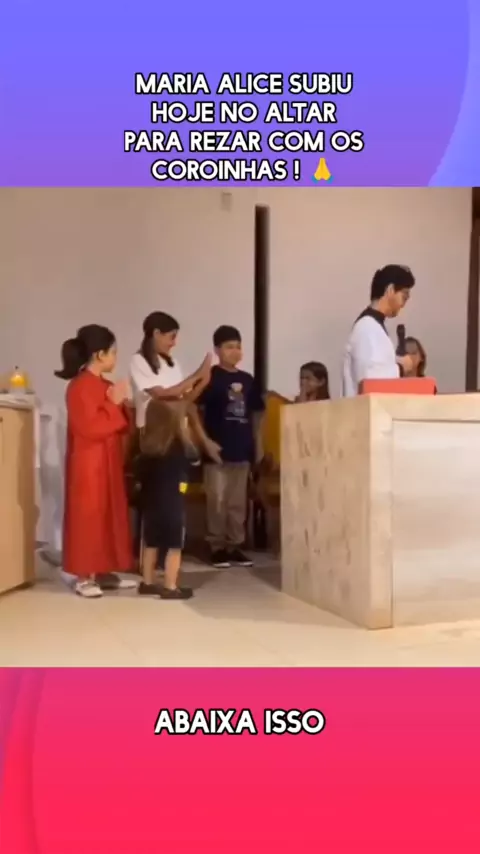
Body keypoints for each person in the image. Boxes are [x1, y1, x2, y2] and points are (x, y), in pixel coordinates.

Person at [55, 325, 135, 598]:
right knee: (89, 516)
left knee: (109, 514)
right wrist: (114, 404)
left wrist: (123, 403)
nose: (115, 358)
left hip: (108, 460)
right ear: (99, 354)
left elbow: (120, 424)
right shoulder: (79, 386)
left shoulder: (105, 385)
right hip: (88, 463)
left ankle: (103, 570)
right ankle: (83, 575)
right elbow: (90, 426)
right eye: (113, 352)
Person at [198, 325, 265, 569]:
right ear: (217, 350)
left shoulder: (247, 380)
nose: (235, 351)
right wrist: (204, 441)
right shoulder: (210, 378)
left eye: (238, 346)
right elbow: (197, 411)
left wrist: (258, 444)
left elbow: (257, 414)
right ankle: (216, 546)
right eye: (229, 347)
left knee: (237, 502)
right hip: (216, 450)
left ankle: (234, 545)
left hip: (241, 449)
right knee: (217, 500)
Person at [137, 399, 194, 599]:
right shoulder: (177, 445)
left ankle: (147, 582)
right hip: (173, 502)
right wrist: (184, 431)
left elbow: (139, 474)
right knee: (174, 545)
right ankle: (170, 586)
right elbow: (191, 460)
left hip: (151, 503)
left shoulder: (145, 447)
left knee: (151, 543)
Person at [342, 265, 417, 397]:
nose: (403, 304)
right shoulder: (366, 327)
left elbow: (375, 365)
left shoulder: (373, 326)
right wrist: (401, 368)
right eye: (404, 296)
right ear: (390, 290)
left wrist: (397, 361)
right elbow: (370, 379)